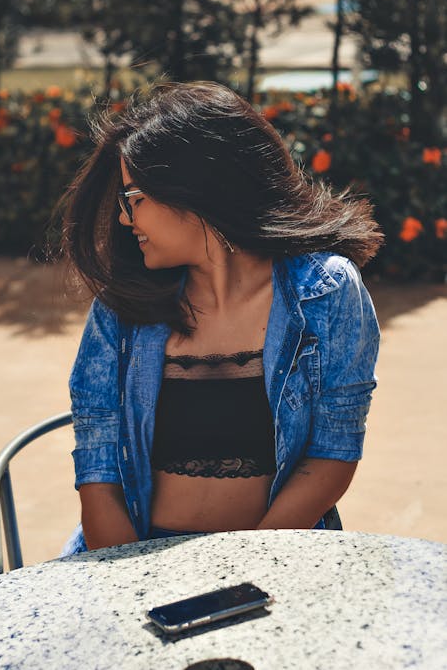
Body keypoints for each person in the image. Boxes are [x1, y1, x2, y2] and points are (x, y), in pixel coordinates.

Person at [59, 81, 383, 555]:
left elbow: (333, 450)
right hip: (130, 558)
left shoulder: (325, 291)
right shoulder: (120, 308)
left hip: (278, 556)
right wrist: (130, 583)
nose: (127, 220)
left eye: (136, 199)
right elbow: (99, 471)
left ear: (194, 191)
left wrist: (247, 570)